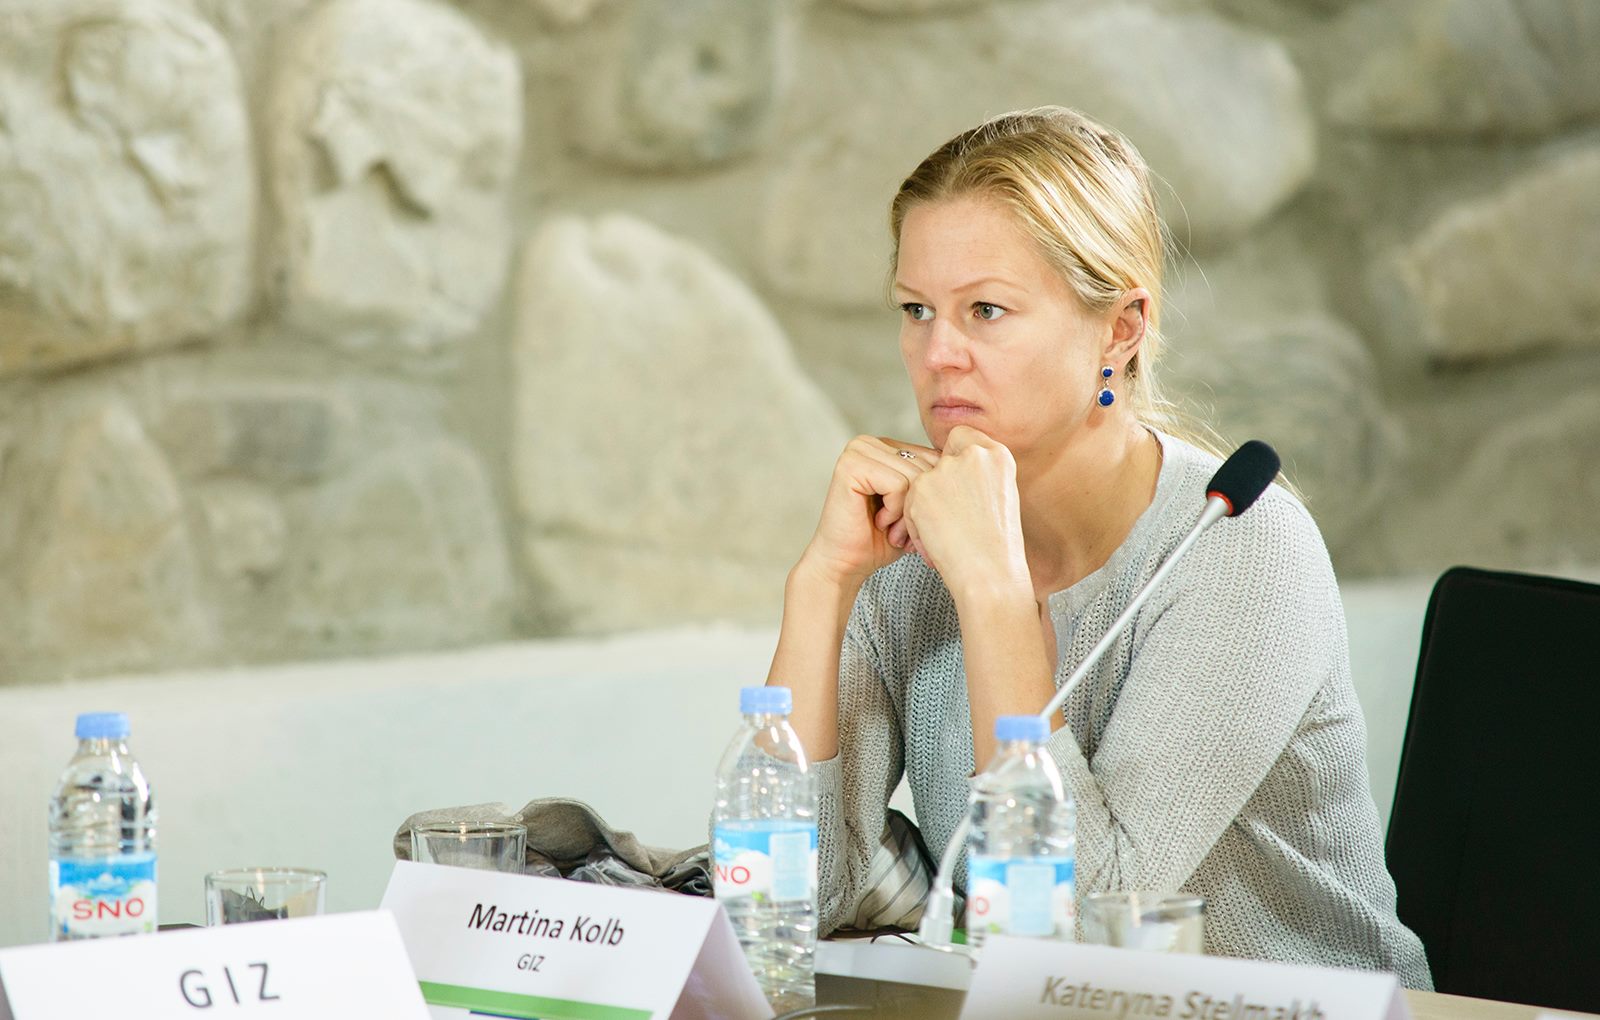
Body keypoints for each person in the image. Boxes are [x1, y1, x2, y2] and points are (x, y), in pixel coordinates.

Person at [767, 106, 1432, 988]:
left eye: (986, 310)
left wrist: (994, 595)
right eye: (917, 309)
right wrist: (823, 582)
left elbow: (1084, 929)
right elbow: (786, 901)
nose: (938, 354)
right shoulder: (913, 553)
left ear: (1120, 329)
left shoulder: (1240, 545)